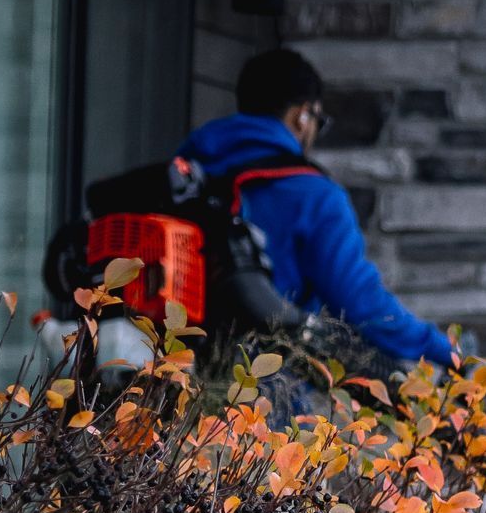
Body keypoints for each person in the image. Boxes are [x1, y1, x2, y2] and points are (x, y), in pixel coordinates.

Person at [178, 48, 455, 367]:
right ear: (302, 115)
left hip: (172, 376)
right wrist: (443, 350)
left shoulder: (185, 171)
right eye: (318, 121)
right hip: (260, 389)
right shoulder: (314, 196)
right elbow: (362, 305)